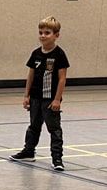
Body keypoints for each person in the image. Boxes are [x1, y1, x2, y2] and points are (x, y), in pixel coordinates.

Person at [9, 17, 69, 169]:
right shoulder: (36, 53)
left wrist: (57, 100)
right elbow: (30, 75)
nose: (43, 35)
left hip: (50, 99)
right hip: (35, 97)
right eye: (41, 32)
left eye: (47, 33)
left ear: (56, 35)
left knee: (54, 129)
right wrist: (26, 95)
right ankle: (29, 151)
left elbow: (62, 79)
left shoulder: (59, 54)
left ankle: (57, 158)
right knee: (33, 126)